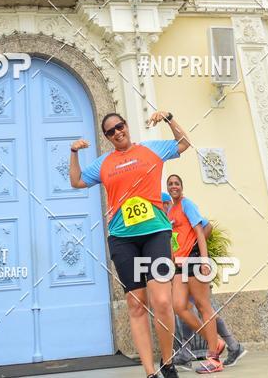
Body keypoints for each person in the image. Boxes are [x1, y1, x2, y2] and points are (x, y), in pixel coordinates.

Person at [70, 110, 191, 378]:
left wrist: (170, 118)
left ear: (126, 125)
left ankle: (168, 362)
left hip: (156, 233)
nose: (116, 132)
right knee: (136, 304)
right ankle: (150, 372)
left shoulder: (151, 150)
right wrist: (74, 152)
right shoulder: (104, 163)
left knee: (161, 301)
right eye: (110, 131)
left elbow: (184, 143)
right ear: (106, 137)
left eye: (119, 126)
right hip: (123, 239)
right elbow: (76, 181)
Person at [163, 179, 246, 369]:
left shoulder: (187, 204)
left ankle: (214, 358)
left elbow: (202, 230)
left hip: (194, 261)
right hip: (180, 265)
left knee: (203, 307)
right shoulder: (171, 211)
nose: (173, 186)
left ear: (182, 186)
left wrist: (203, 258)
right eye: (170, 184)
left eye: (176, 183)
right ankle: (216, 341)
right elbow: (174, 240)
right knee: (179, 307)